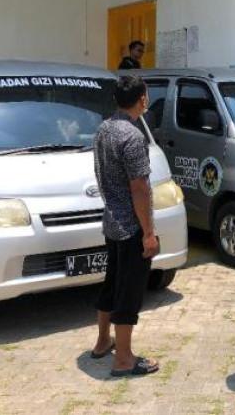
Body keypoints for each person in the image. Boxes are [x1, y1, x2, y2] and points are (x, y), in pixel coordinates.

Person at [91, 75, 160, 377]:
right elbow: (140, 188)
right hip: (131, 226)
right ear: (142, 99)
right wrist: (148, 233)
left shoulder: (104, 129)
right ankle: (123, 358)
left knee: (112, 283)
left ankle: (102, 341)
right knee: (128, 292)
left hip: (111, 221)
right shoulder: (132, 136)